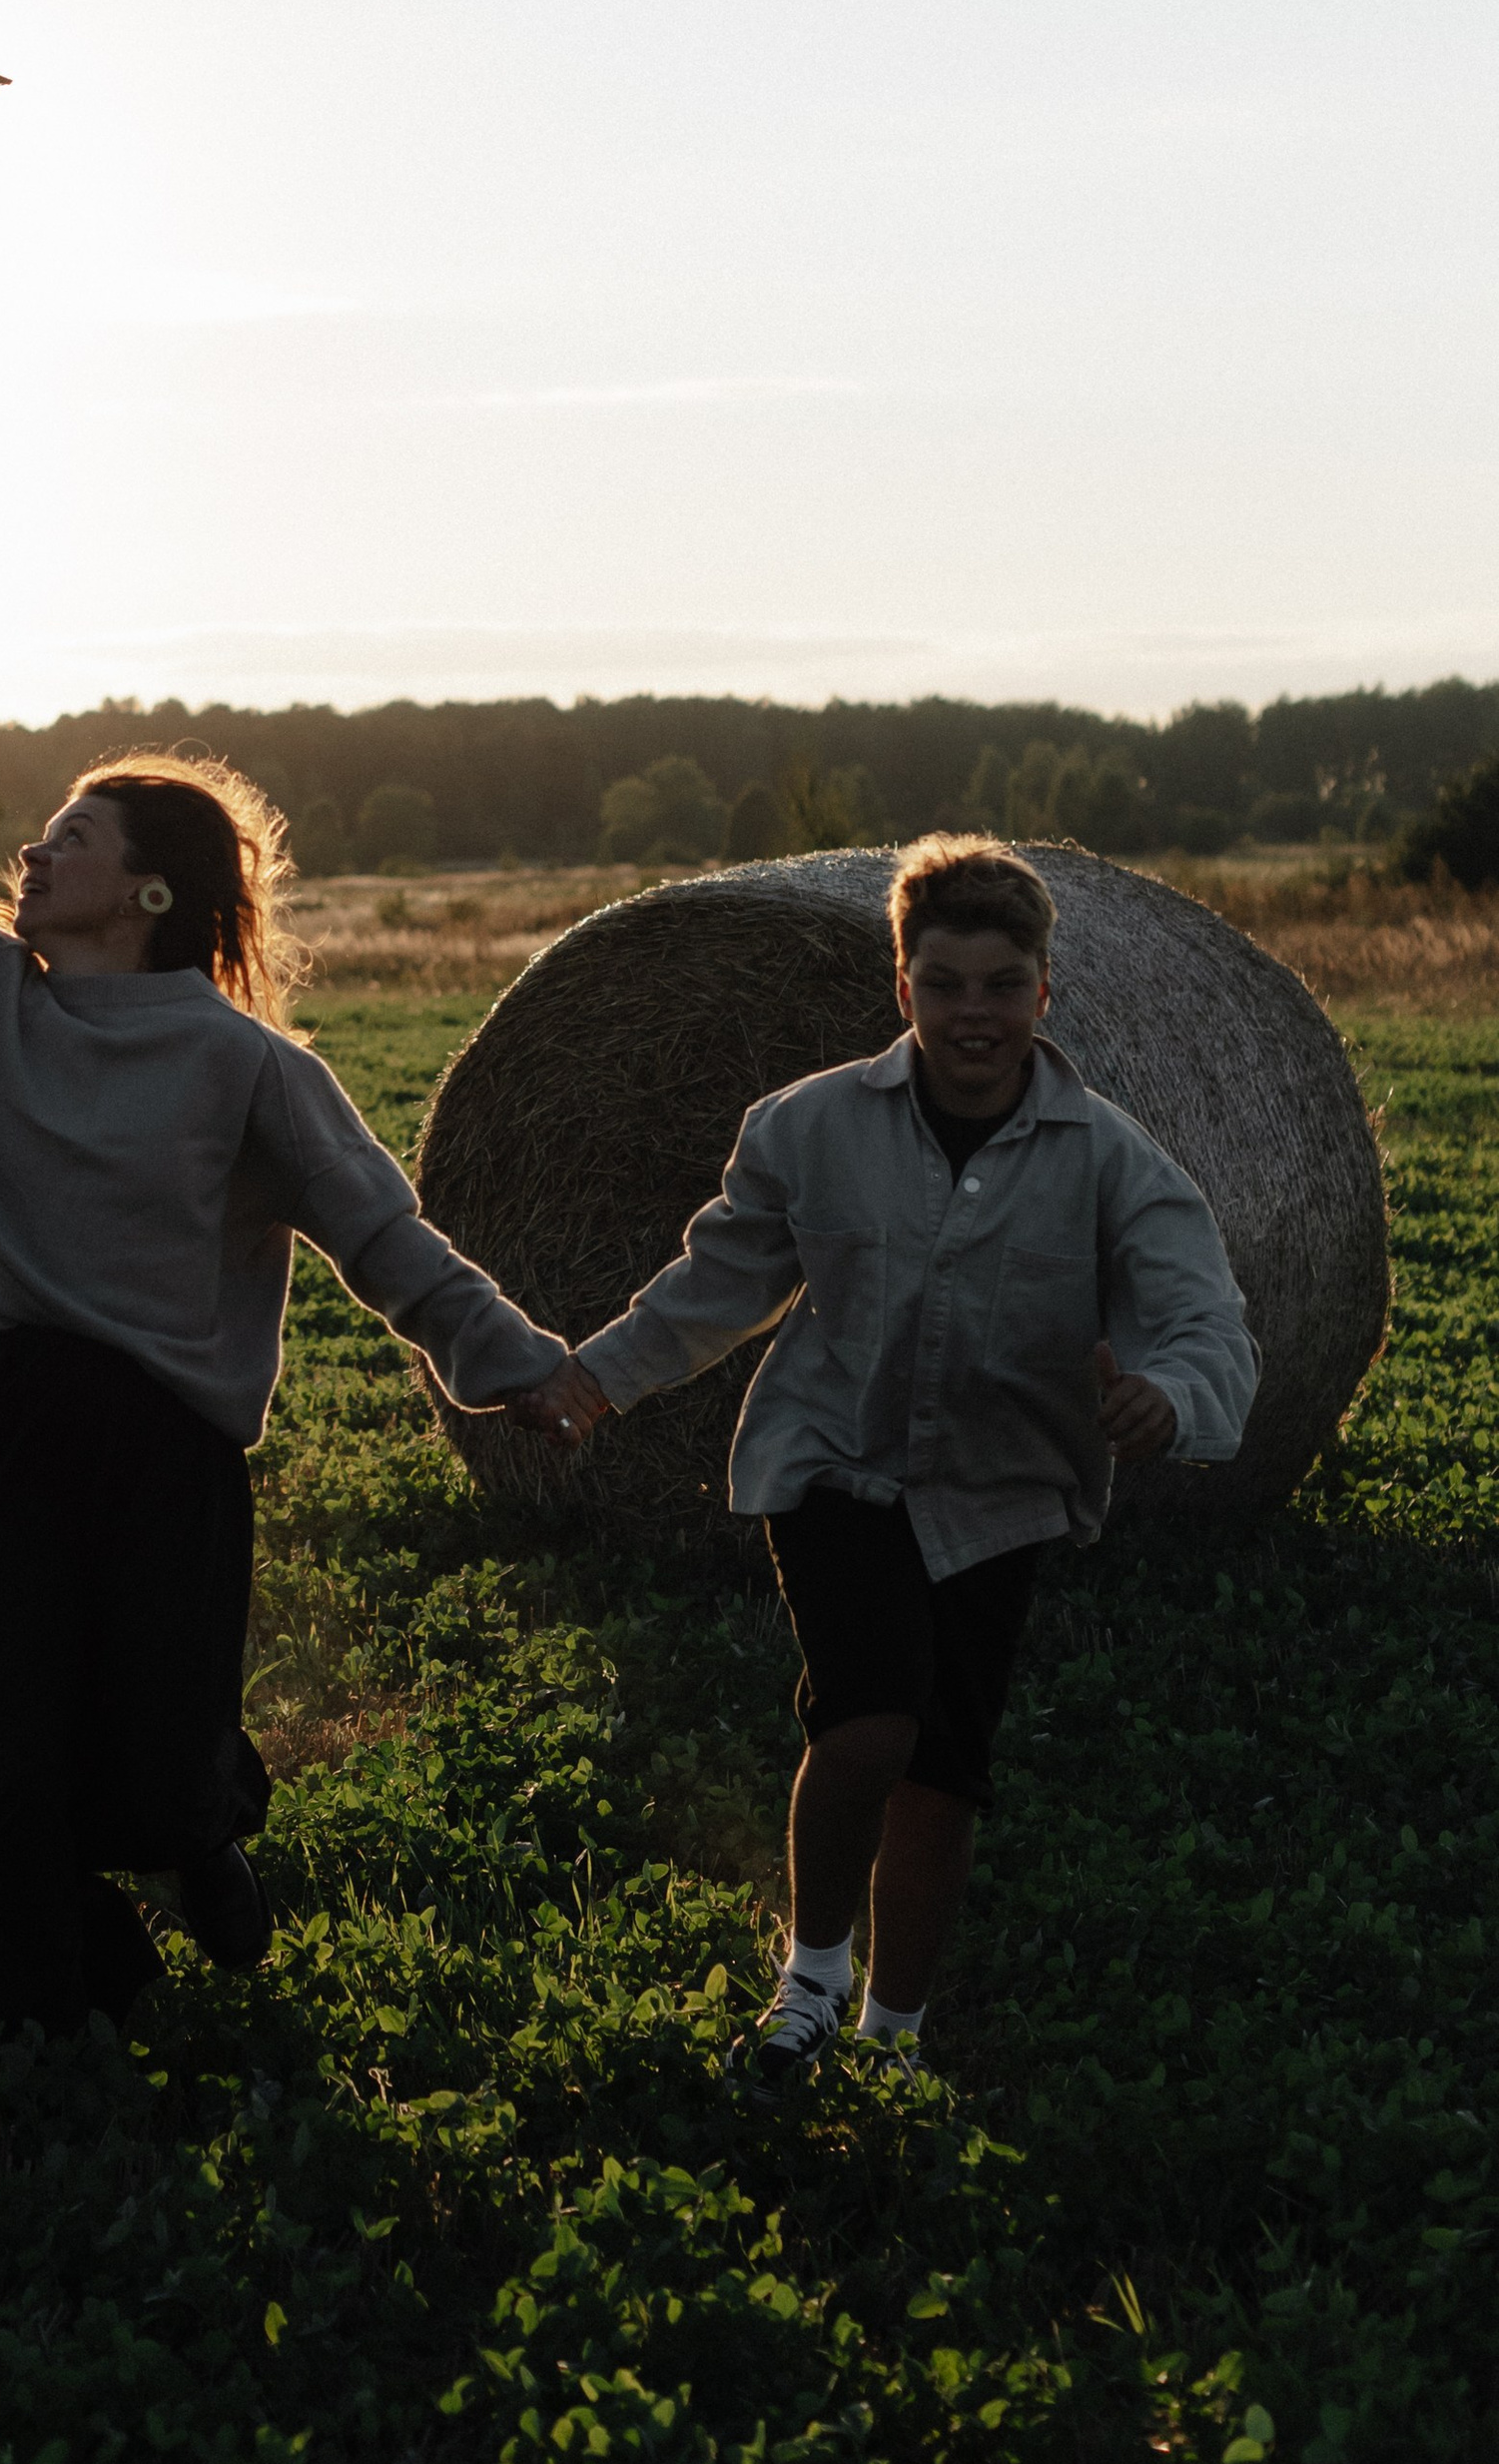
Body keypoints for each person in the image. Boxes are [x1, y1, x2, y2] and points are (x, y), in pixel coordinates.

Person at [0, 538, 585, 2069]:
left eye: (68, 836)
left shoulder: (247, 1068)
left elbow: (383, 1235)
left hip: (155, 1454)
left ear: (149, 889)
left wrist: (516, 1366)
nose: (31, 854)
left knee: (133, 1751)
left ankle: (194, 1823)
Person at [514, 835, 1260, 2075]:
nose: (976, 1012)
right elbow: (720, 1285)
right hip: (833, 1460)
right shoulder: (807, 1128)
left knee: (944, 1776)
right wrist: (599, 1379)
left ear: (1043, 991)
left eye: (1002, 985)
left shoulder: (1108, 1158)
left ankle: (894, 2034)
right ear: (902, 987)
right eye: (947, 983)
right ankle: (810, 1979)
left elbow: (1201, 1316)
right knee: (867, 1726)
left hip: (1001, 1491)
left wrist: (1171, 1399)